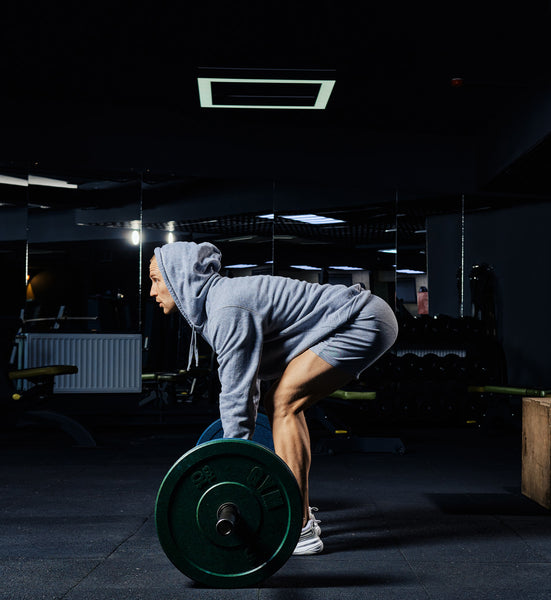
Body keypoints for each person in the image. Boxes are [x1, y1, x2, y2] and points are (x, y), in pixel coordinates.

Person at [149, 241, 398, 555]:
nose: (152, 291)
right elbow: (248, 389)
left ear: (178, 278)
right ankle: (303, 517)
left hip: (362, 320)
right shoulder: (220, 306)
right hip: (361, 319)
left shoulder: (227, 308)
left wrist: (232, 461)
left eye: (156, 280)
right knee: (282, 403)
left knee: (283, 402)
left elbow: (237, 395)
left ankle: (300, 526)